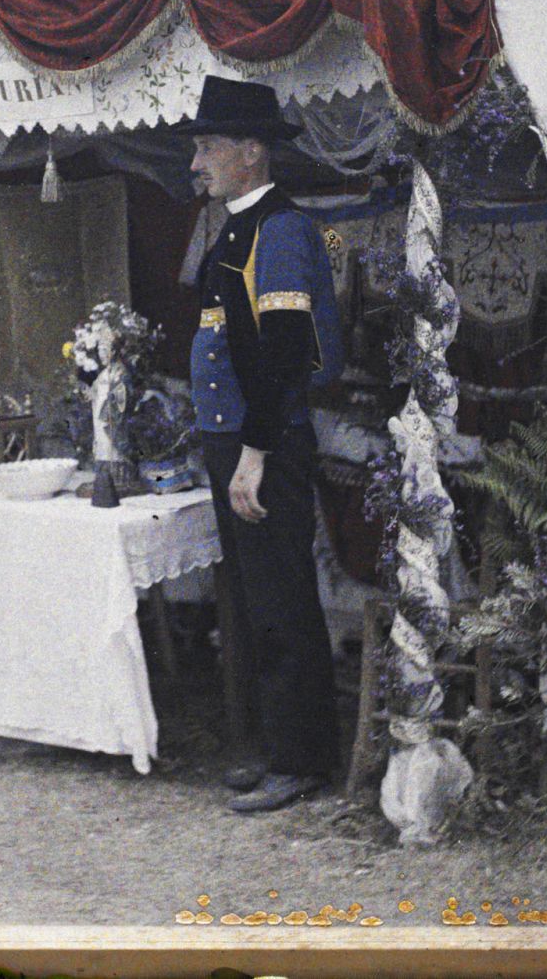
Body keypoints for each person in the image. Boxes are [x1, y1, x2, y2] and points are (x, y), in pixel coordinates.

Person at [177, 75, 345, 814]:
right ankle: (277, 746)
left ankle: (301, 760)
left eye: (208, 145)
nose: (196, 161)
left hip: (264, 447)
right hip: (237, 442)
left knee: (281, 604)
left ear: (251, 152)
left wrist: (253, 452)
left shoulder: (279, 231)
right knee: (253, 603)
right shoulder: (238, 227)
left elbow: (284, 356)